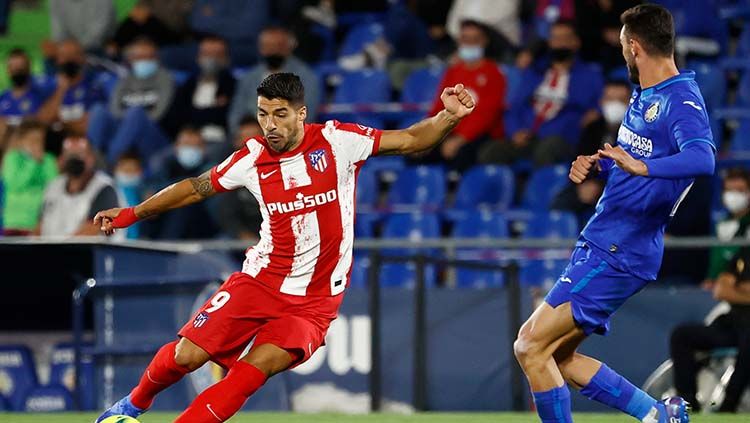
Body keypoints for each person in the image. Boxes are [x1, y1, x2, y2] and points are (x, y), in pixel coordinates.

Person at [93, 72, 475, 422]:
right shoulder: (252, 159)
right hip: (259, 282)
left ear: (301, 113)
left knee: (250, 372)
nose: (270, 125)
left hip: (314, 302)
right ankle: (132, 405)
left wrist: (449, 117)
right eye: (263, 114)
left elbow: (411, 139)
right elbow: (195, 187)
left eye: (280, 114)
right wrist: (132, 213)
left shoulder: (337, 141)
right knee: (186, 356)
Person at [513, 5, 714, 423]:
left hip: (621, 247)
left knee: (530, 346)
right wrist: (600, 162)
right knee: (559, 356)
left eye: (623, 44)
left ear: (634, 46)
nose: (622, 51)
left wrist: (646, 167)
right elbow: (636, 156)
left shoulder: (681, 99)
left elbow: (702, 158)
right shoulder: (644, 93)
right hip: (607, 238)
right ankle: (659, 415)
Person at [483, 20, 604, 166]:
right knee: (491, 150)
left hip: (561, 139)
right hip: (526, 136)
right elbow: (515, 106)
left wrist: (593, 114)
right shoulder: (534, 72)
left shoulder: (590, 76)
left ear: (576, 42)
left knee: (547, 149)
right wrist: (515, 132)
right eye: (555, 39)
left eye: (565, 38)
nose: (559, 44)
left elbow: (599, 107)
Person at [671, 247, 750, 413]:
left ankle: (729, 406)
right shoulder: (746, 252)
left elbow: (730, 288)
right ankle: (688, 405)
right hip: (733, 323)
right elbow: (721, 290)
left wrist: (739, 287)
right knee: (682, 335)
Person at [422, 20, 506, 172]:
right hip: (451, 130)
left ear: (484, 41)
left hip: (480, 135)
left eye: (475, 40)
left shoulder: (494, 73)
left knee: (462, 154)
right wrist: (430, 133)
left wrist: (461, 139)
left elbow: (487, 115)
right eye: (466, 39)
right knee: (417, 151)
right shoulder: (453, 71)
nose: (470, 44)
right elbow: (439, 106)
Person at [88, 37, 174, 164]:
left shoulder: (165, 78)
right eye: (139, 57)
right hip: (124, 130)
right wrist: (127, 122)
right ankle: (93, 158)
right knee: (98, 110)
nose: (144, 60)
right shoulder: (125, 79)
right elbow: (113, 110)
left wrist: (130, 119)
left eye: (148, 56)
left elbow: (157, 114)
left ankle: (112, 163)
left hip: (154, 134)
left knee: (136, 113)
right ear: (131, 59)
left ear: (157, 58)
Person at [228, 26, 320, 133]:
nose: (273, 51)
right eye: (267, 46)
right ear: (260, 49)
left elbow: (306, 113)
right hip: (248, 134)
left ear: (289, 47)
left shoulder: (305, 76)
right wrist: (239, 132)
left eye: (278, 46)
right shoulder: (249, 78)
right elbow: (236, 112)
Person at [39, 136, 122, 238]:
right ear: (62, 159)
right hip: (48, 251)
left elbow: (92, 230)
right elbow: (39, 226)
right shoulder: (53, 186)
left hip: (88, 251)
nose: (75, 159)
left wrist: (59, 249)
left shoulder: (104, 188)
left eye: (80, 154)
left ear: (91, 158)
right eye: (70, 155)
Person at [144, 126, 218, 240]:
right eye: (186, 144)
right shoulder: (165, 165)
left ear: (203, 149)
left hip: (202, 219)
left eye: (195, 146)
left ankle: (168, 246)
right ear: (176, 147)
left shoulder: (212, 168)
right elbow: (152, 187)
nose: (190, 149)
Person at [169, 35, 236, 147]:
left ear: (226, 59)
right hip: (186, 140)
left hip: (216, 141)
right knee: (159, 161)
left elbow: (226, 117)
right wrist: (212, 110)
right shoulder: (188, 84)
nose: (211, 59)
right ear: (198, 57)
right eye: (207, 54)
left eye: (217, 55)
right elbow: (176, 117)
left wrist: (194, 113)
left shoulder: (232, 85)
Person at [36, 40, 105, 139]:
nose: (68, 60)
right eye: (64, 56)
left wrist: (61, 124)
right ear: (58, 60)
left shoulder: (92, 88)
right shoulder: (48, 88)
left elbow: (88, 125)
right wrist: (61, 90)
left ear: (82, 59)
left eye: (73, 56)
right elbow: (41, 121)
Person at [1, 120, 58, 236]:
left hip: (40, 223)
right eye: (32, 140)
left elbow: (55, 187)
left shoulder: (48, 160)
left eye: (39, 140)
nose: (36, 144)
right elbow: (14, 184)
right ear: (21, 141)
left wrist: (41, 162)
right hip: (15, 222)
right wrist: (32, 162)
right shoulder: (12, 158)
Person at [216, 116, 264, 239]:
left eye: (255, 137)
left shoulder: (280, 167)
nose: (250, 143)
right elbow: (225, 212)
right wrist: (241, 234)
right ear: (237, 142)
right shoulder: (228, 171)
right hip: (240, 235)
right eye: (245, 138)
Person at [704, 169, 750, 285]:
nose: (733, 195)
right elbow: (716, 261)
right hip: (719, 287)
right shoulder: (721, 224)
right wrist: (712, 279)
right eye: (729, 190)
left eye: (739, 190)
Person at [0, 49, 52, 126]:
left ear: (29, 68)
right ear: (8, 70)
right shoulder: (3, 97)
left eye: (21, 68)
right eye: (14, 68)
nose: (17, 72)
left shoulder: (41, 96)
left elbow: (45, 120)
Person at [113, 152, 146, 240]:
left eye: (133, 170)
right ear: (116, 170)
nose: (129, 174)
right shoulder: (108, 193)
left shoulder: (146, 195)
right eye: (126, 170)